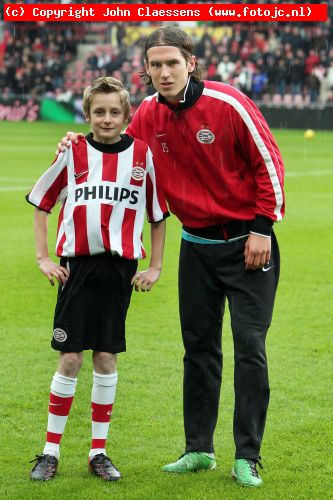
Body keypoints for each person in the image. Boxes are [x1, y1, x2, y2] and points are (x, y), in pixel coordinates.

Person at [58, 26, 285, 487]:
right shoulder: (145, 114)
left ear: (191, 64)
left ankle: (247, 455)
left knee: (249, 348)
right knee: (198, 350)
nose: (163, 72)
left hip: (248, 244)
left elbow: (270, 164)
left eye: (172, 63)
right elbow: (112, 145)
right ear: (146, 69)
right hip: (196, 247)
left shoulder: (229, 104)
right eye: (155, 64)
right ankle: (199, 448)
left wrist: (262, 228)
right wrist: (73, 144)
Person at [26, 76, 169, 482]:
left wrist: (155, 266)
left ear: (127, 116)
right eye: (99, 112)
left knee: (106, 357)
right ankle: (50, 452)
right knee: (70, 357)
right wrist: (42, 257)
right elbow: (42, 201)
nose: (107, 119)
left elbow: (158, 216)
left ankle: (98, 453)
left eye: (114, 112)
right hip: (77, 267)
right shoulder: (73, 151)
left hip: (120, 270)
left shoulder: (142, 155)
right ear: (87, 115)